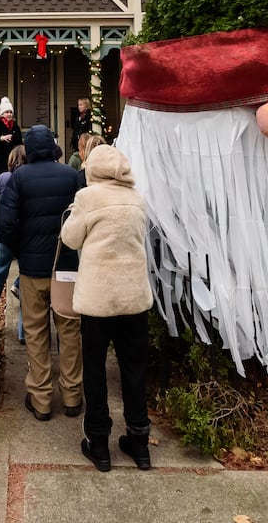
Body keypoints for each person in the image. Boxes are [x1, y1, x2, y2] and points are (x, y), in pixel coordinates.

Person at [61, 144, 153, 472]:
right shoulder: (137, 199)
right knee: (134, 369)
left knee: (96, 370)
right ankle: (139, 441)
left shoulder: (88, 197)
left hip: (98, 299)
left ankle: (99, 443)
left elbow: (71, 239)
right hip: (133, 298)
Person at [0, 124, 84, 422]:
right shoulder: (72, 176)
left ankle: (41, 397)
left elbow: (5, 224)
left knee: (36, 331)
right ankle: (73, 396)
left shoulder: (19, 178)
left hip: (33, 270)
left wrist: (21, 250)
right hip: (66, 267)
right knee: (70, 330)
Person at [0, 144, 27, 341]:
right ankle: (23, 331)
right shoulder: (29, 179)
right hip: (26, 237)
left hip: (4, 235)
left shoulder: (3, 178)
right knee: (27, 279)